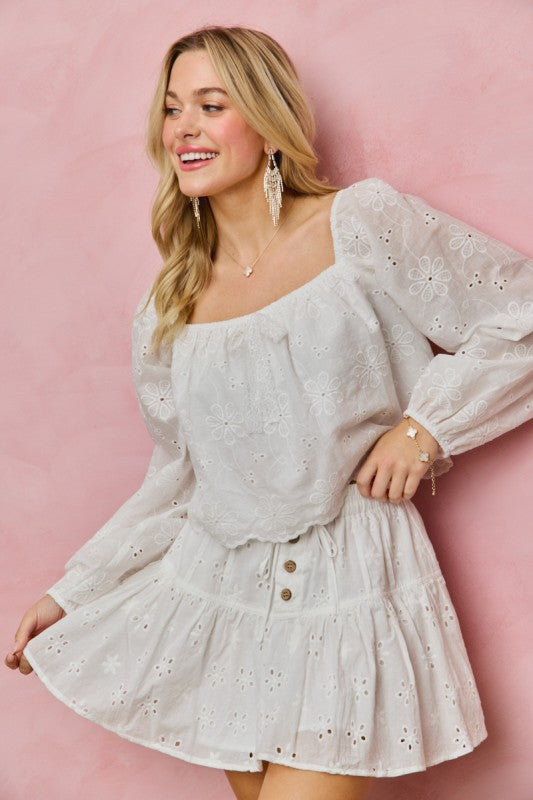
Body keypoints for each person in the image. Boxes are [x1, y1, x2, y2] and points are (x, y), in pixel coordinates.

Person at [5, 24, 532, 800]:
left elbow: (519, 314)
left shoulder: (360, 224)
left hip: (348, 581)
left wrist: (425, 429)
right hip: (224, 598)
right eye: (172, 108)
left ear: (266, 119)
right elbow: (181, 481)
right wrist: (74, 592)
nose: (183, 128)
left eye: (210, 105)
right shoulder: (168, 306)